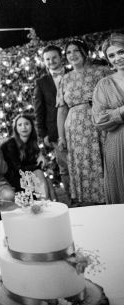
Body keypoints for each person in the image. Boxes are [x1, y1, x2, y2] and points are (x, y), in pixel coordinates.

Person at [57, 39, 111, 206]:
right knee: (82, 164)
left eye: (76, 51)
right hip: (74, 129)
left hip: (98, 123)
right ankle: (88, 202)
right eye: (68, 53)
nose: (72, 55)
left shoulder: (101, 72)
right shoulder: (64, 79)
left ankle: (109, 197)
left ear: (84, 52)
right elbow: (61, 109)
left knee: (103, 160)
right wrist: (61, 137)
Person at [34, 45, 71, 197]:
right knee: (65, 167)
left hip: (79, 125)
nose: (51, 61)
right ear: (43, 62)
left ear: (61, 57)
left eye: (54, 57)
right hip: (55, 131)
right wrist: (44, 134)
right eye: (47, 59)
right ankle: (73, 198)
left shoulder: (74, 73)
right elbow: (39, 110)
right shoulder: (41, 82)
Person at [92, 33, 124, 204]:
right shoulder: (104, 85)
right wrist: (121, 111)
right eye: (111, 55)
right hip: (119, 146)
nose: (117, 58)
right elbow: (99, 119)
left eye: (121, 52)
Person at [1, 114, 55, 200]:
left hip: (26, 176)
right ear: (16, 128)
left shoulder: (32, 143)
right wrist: (38, 167)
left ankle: (48, 206)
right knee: (39, 173)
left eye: (26, 124)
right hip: (13, 179)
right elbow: (18, 168)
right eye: (20, 125)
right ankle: (45, 205)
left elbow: (31, 164)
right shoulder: (10, 144)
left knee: (47, 180)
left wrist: (39, 156)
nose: (24, 127)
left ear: (31, 126)